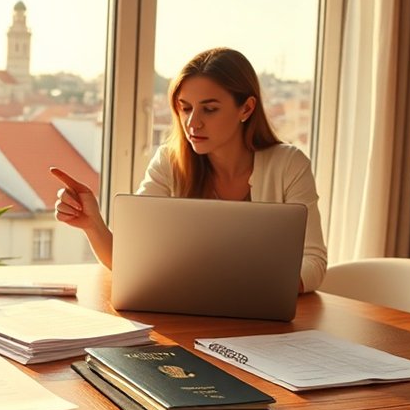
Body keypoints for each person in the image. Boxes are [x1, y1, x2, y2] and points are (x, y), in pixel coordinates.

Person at [50, 47, 327, 292]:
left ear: (246, 108)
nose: (193, 123)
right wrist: (92, 224)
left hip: (265, 327)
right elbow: (130, 262)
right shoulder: (169, 162)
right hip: (187, 321)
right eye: (185, 108)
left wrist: (252, 290)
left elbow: (313, 262)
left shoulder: (289, 164)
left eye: (210, 109)